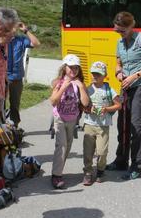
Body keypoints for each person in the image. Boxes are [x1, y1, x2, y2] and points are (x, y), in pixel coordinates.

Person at [107, 11, 141, 180]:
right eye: (117, 30)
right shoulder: (119, 43)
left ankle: (136, 166)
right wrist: (119, 72)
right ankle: (121, 160)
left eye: (122, 30)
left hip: (140, 87)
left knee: (137, 127)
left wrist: (134, 76)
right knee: (122, 125)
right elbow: (118, 63)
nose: (119, 33)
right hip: (125, 88)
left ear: (131, 26)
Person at [49, 54, 90, 189]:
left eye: (76, 68)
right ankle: (56, 175)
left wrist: (82, 87)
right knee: (61, 146)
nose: (73, 70)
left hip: (72, 119)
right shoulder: (58, 82)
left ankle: (58, 171)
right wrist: (63, 87)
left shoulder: (79, 84)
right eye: (70, 67)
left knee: (68, 146)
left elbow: (85, 102)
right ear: (64, 67)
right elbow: (53, 102)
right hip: (59, 118)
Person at [82, 61, 121, 185]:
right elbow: (82, 106)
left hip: (103, 126)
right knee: (88, 151)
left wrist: (106, 109)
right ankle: (88, 172)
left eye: (98, 74)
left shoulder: (109, 90)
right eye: (93, 74)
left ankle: (100, 170)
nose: (95, 76)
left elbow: (118, 105)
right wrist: (88, 109)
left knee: (102, 151)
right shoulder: (87, 89)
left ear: (104, 76)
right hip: (89, 124)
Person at [7, 22, 40, 128]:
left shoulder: (20, 39)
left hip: (16, 77)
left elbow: (36, 43)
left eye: (15, 26)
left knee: (15, 104)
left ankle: (14, 126)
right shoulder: (2, 38)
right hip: (2, 77)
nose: (14, 29)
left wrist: (25, 30)